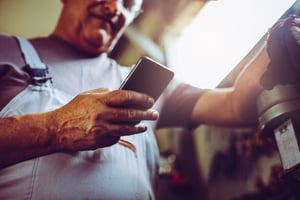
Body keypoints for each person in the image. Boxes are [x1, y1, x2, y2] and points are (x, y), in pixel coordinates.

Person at [0, 0, 270, 199]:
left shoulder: (149, 86)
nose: (115, 8)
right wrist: (55, 127)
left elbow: (236, 107)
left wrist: (273, 51)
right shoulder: (7, 51)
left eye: (129, 4)